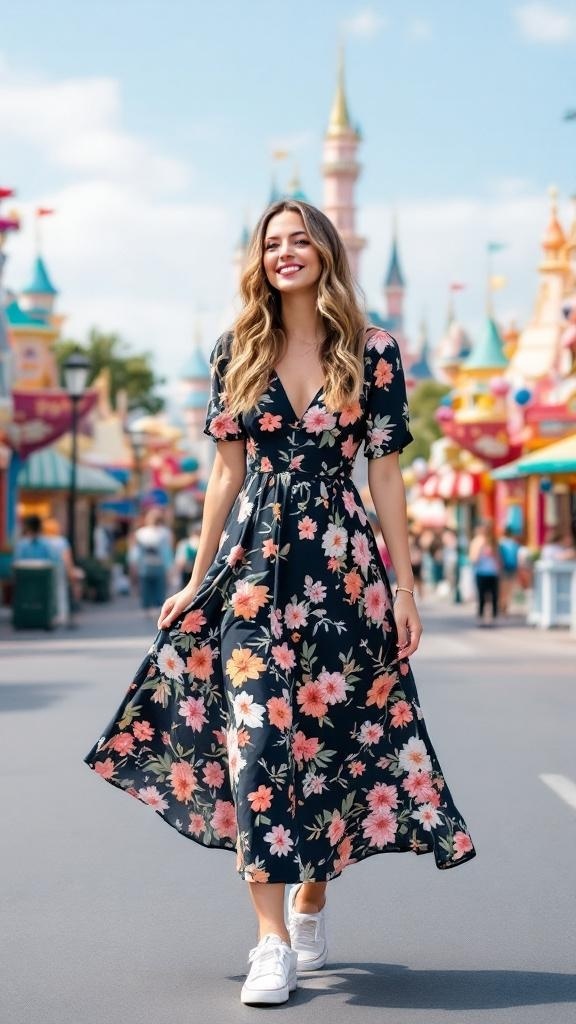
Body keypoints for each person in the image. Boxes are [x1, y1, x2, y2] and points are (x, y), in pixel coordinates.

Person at [84, 200, 476, 1006]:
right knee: (257, 749)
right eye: (272, 243)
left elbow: (387, 475)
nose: (285, 253)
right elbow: (225, 475)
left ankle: (311, 898)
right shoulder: (239, 349)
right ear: (258, 259)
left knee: (327, 751)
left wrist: (404, 589)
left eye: (300, 240)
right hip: (255, 572)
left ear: (327, 252)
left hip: (343, 573)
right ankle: (269, 943)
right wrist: (196, 581)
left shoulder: (375, 352)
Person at [128, 508, 173, 616]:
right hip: (154, 565)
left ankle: (149, 608)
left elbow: (135, 552)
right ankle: (155, 608)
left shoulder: (141, 532)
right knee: (155, 588)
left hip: (148, 565)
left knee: (149, 588)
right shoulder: (165, 532)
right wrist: (170, 567)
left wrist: (133, 564)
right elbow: (168, 552)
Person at [43, 518, 78, 627]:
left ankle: (50, 613)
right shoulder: (61, 541)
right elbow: (67, 557)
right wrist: (70, 570)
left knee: (48, 591)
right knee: (60, 589)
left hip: (46, 567)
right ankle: (62, 615)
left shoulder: (43, 541)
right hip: (59, 566)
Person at [469, 521, 501, 625]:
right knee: (482, 596)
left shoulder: (493, 542)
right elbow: (473, 559)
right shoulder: (476, 542)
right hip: (481, 572)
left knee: (494, 596)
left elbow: (498, 557)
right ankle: (482, 617)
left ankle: (492, 617)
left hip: (493, 572)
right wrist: (480, 549)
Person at [498, 528, 521, 614]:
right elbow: (517, 556)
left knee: (502, 588)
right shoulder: (514, 544)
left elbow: (499, 556)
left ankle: (502, 604)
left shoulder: (501, 543)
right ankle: (505, 605)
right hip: (513, 567)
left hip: (504, 567)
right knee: (509, 588)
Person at [173, 521, 201, 589]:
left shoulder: (184, 543)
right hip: (193, 572)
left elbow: (179, 561)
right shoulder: (185, 543)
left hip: (188, 571)